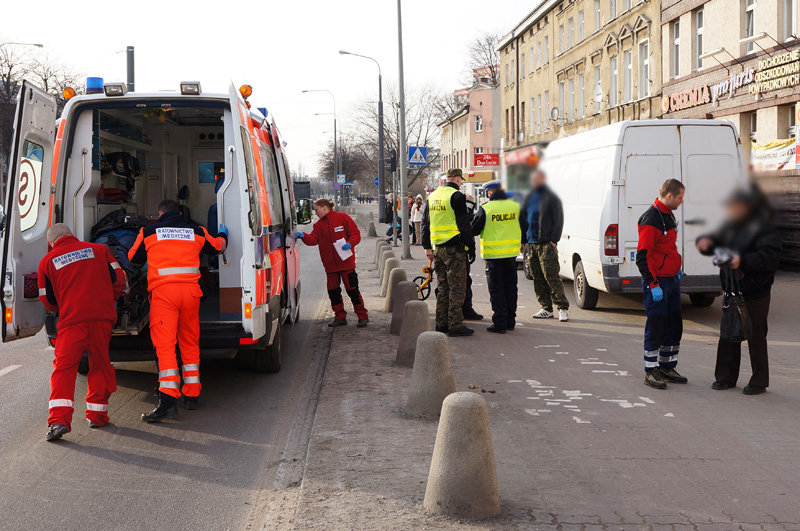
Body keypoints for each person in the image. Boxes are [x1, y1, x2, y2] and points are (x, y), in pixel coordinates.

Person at [128, 199, 228, 422]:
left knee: (165, 347)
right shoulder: (197, 231)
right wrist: (223, 235)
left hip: (164, 296)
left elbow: (133, 259)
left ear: (160, 213)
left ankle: (168, 402)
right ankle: (192, 395)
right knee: (189, 342)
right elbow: (218, 248)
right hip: (191, 294)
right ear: (180, 213)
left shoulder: (149, 231)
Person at [37, 224, 127, 441]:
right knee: (100, 363)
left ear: (52, 242)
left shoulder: (47, 262)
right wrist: (110, 298)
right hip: (101, 319)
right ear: (71, 235)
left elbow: (47, 300)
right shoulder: (98, 250)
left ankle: (59, 421)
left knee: (64, 369)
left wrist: (63, 306)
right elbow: (119, 279)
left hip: (71, 321)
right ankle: (97, 415)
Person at [696, 189, 781, 395]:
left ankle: (759, 381)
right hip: (732, 288)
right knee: (728, 333)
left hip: (756, 291)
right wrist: (706, 244)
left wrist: (743, 260)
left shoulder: (766, 229)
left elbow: (770, 258)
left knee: (756, 335)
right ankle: (725, 377)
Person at [636, 179, 687, 390]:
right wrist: (652, 283)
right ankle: (651, 370)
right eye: (680, 197)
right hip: (658, 282)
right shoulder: (651, 219)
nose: (682, 201)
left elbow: (668, 247)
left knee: (674, 325)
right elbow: (643, 256)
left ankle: (667, 366)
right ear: (669, 196)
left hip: (671, 279)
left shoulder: (668, 214)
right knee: (656, 325)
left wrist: (677, 267)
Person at [296, 198, 369, 328]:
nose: (315, 212)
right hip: (330, 266)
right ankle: (340, 316)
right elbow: (313, 240)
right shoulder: (318, 226)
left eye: (316, 209)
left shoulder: (343, 218)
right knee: (333, 292)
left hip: (346, 263)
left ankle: (362, 316)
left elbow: (355, 234)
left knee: (352, 290)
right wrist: (303, 236)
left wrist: (350, 244)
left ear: (324, 207)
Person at [421, 168, 476, 337]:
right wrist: (471, 246)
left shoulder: (434, 196)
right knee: (457, 288)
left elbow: (425, 223)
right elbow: (464, 224)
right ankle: (455, 325)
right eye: (461, 180)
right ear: (458, 179)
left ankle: (441, 323)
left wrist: (427, 247)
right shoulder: (456, 196)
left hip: (438, 248)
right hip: (455, 248)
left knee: (443, 286)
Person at [471, 181, 527, 334]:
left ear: (490, 193)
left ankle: (500, 323)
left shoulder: (486, 209)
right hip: (511, 255)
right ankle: (510, 321)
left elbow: (473, 229)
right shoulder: (516, 207)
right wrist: (522, 241)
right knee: (510, 288)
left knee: (497, 290)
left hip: (493, 256)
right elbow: (525, 225)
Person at [520, 169, 569, 322]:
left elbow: (558, 219)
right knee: (537, 277)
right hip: (531, 244)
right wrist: (523, 240)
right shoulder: (528, 198)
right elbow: (522, 219)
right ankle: (546, 308)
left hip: (546, 244)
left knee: (551, 276)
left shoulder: (551, 198)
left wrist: (554, 240)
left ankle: (562, 307)